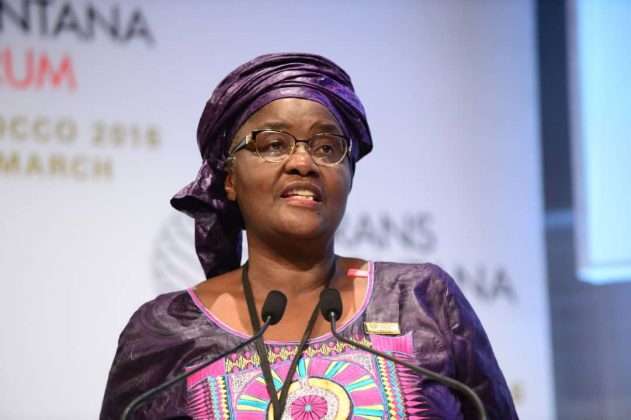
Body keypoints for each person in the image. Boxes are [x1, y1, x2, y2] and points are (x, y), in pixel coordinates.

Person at [100, 53, 518, 419]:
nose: (303, 162)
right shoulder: (165, 331)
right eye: (274, 144)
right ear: (229, 179)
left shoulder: (420, 299)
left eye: (326, 147)